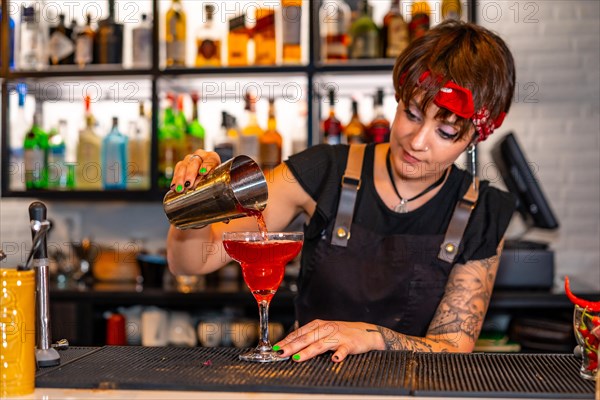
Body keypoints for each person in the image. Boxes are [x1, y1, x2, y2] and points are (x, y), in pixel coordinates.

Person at [167, 20, 516, 363]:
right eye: (411, 113)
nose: (418, 141)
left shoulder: (481, 211)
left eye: (445, 133)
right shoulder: (324, 169)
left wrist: (367, 336)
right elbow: (192, 262)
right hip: (312, 385)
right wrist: (197, 202)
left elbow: (452, 347)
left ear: (474, 137)